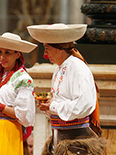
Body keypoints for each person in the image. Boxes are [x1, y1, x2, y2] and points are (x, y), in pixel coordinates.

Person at [27, 23, 107, 154]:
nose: (45, 54)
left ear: (59, 48)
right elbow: (60, 101)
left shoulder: (78, 69)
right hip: (61, 138)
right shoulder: (59, 69)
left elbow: (83, 105)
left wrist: (53, 106)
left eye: (47, 48)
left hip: (76, 142)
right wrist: (48, 107)